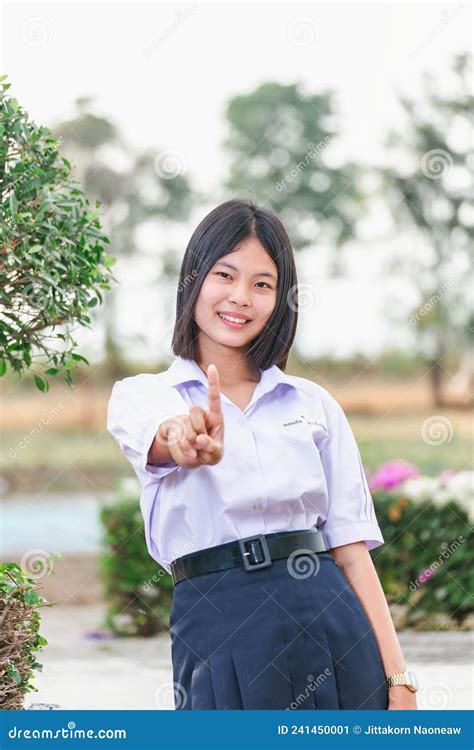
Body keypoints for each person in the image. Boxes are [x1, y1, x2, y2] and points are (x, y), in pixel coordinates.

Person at [107, 198, 418, 710]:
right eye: (224, 275)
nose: (240, 297)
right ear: (194, 280)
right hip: (215, 625)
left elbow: (350, 547)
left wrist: (399, 676)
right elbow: (164, 439)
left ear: (281, 299)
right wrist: (186, 438)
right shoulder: (142, 395)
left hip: (329, 617)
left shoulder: (314, 404)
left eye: (262, 284)